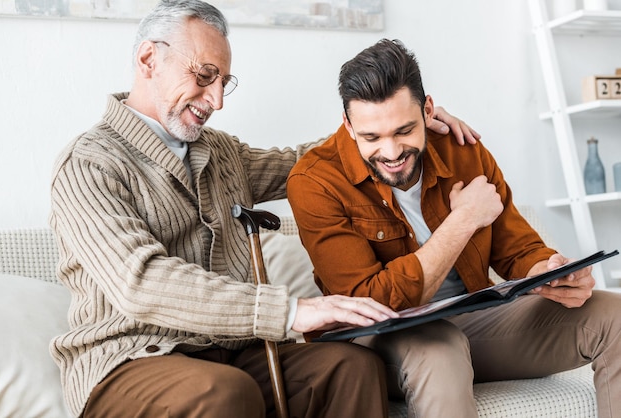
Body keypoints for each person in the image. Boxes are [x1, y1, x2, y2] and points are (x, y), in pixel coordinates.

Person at [48, 2, 478, 417]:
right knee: (222, 393)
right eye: (204, 75)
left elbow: (307, 164)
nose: (216, 100)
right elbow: (140, 282)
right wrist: (291, 311)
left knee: (349, 368)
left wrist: (397, 130)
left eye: (223, 82)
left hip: (230, 351)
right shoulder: (88, 164)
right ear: (148, 59)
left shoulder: (218, 152)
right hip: (129, 362)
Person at [287, 38, 621, 418]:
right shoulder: (315, 181)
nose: (392, 152)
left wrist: (550, 272)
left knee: (614, 315)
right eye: (372, 137)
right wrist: (462, 221)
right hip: (372, 338)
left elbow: (517, 249)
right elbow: (370, 301)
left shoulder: (461, 149)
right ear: (348, 125)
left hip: (470, 322)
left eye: (404, 131)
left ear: (428, 110)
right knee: (440, 345)